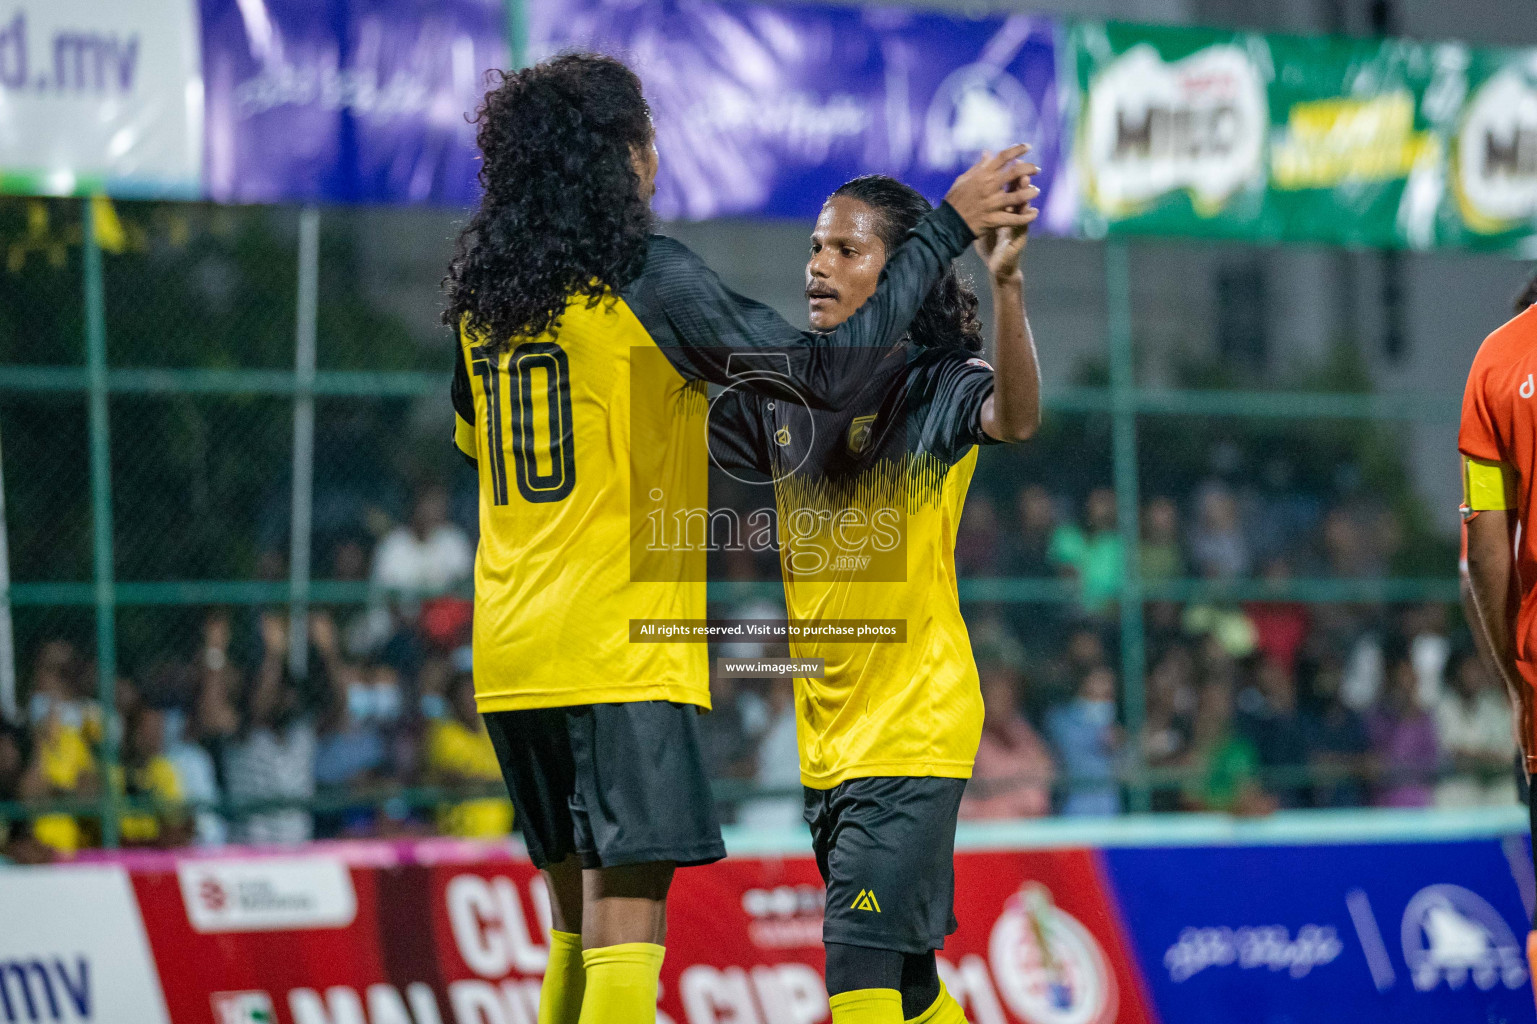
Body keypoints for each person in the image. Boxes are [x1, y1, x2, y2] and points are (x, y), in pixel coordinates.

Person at [441, 54, 1035, 1024]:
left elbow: (475, 444)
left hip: (510, 655)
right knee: (623, 929)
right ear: (617, 157)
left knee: (569, 932)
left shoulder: (484, 302)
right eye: (647, 140)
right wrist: (945, 230)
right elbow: (816, 372)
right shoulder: (647, 276)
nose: (657, 160)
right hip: (615, 650)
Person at [708, 170, 1043, 1024]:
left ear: (897, 274)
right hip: (828, 738)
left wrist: (1005, 286)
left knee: (855, 975)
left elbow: (1015, 417)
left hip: (911, 724)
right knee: (910, 986)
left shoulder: (934, 385)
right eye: (815, 247)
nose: (818, 264)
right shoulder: (788, 383)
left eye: (846, 249)